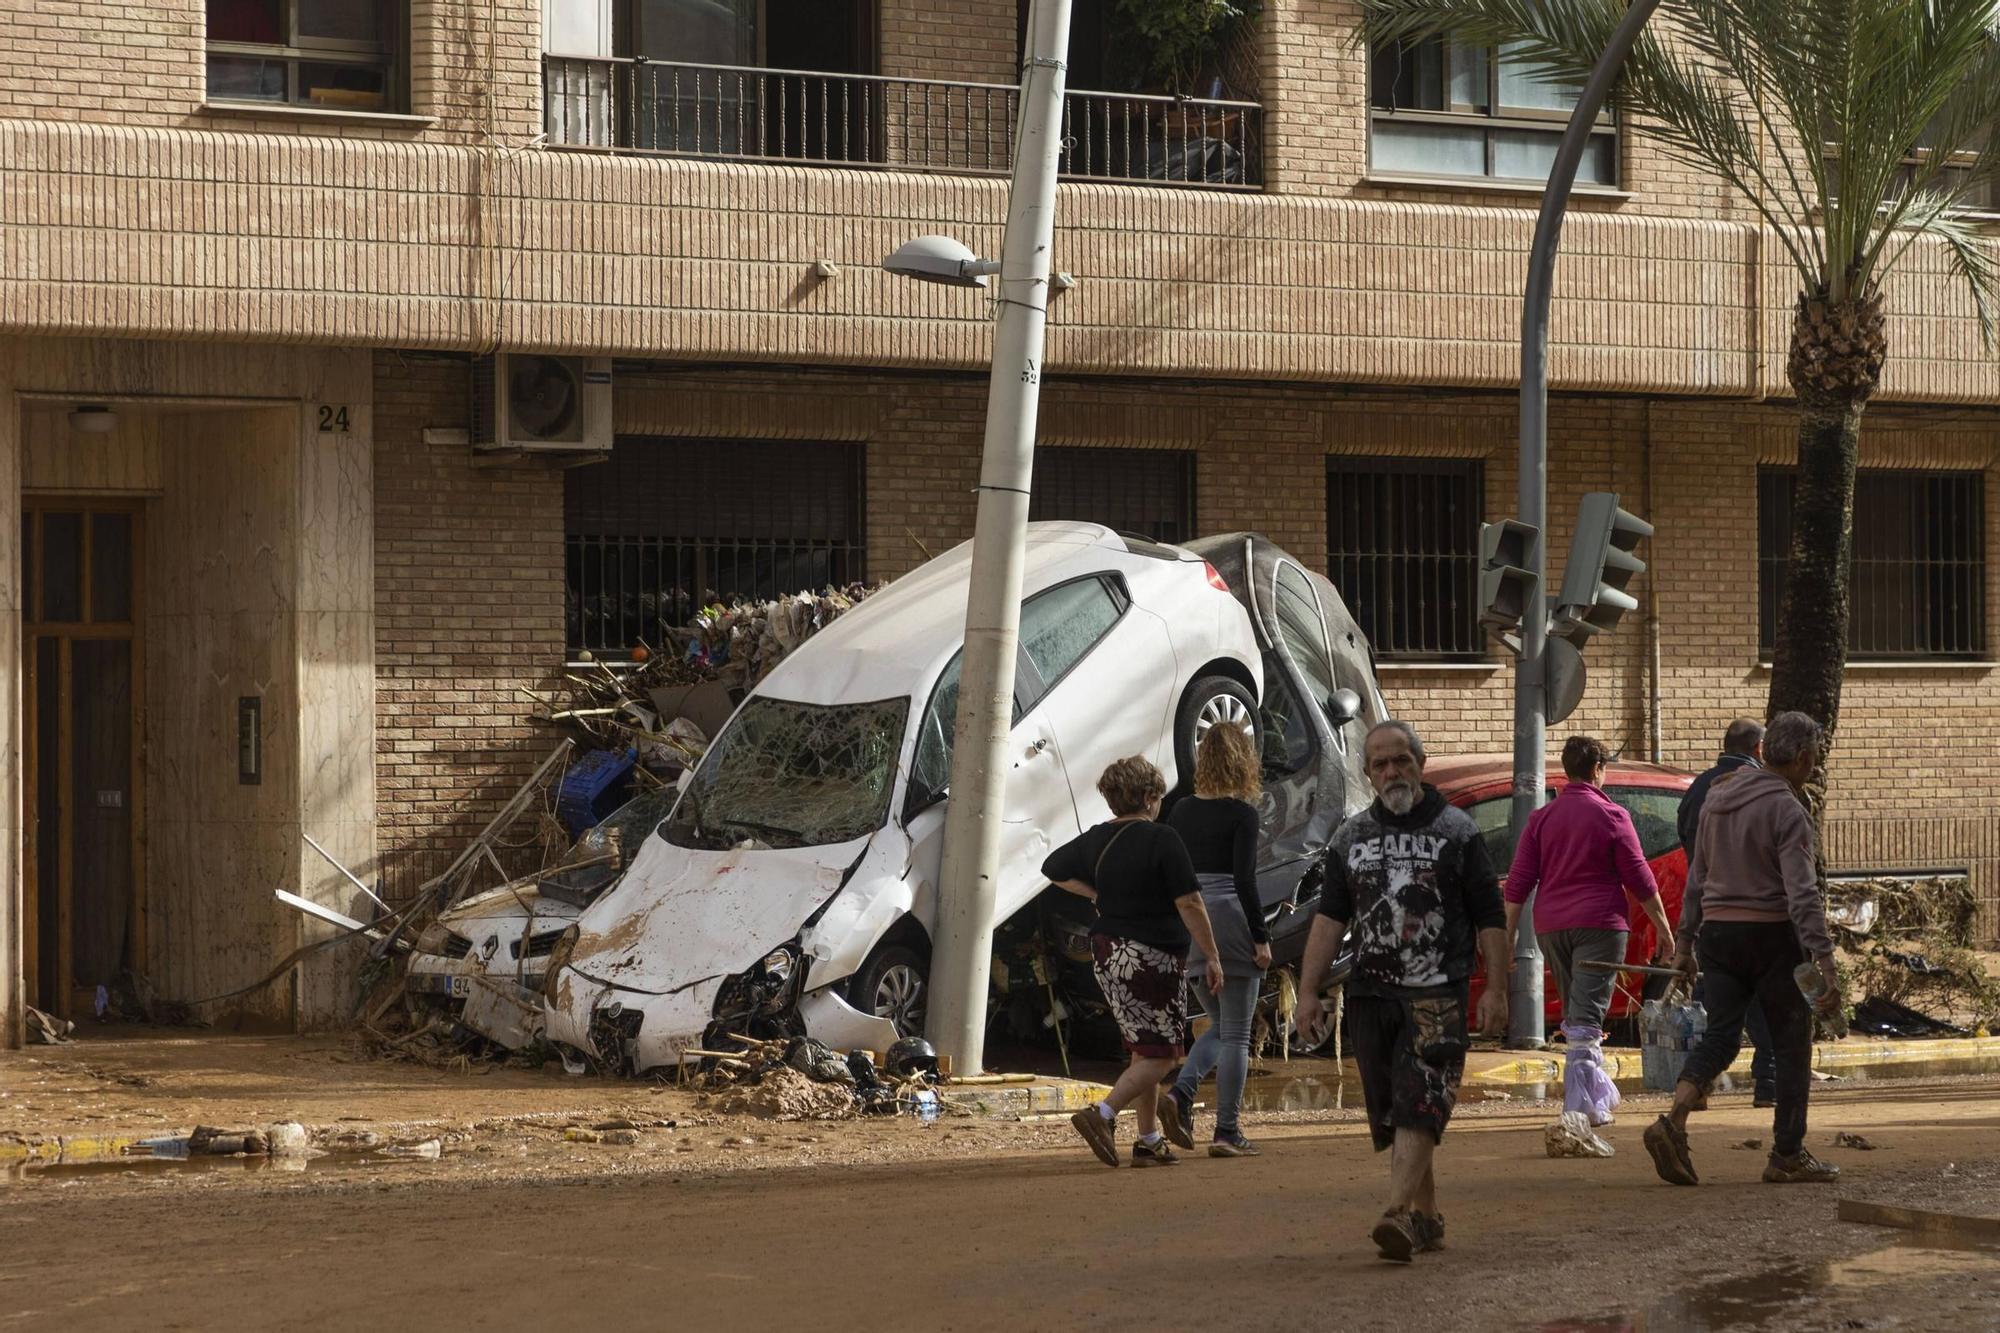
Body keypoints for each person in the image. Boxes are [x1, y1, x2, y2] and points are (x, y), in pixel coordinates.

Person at [1295, 721, 1508, 1262]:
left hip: (1437, 993)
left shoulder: (1458, 831)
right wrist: (1308, 991)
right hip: (1371, 996)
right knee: (1404, 1111)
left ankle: (1395, 1213)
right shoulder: (1351, 837)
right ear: (1367, 774)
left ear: (1420, 763)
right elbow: (1330, 917)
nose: (1392, 772)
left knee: (1420, 1103)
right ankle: (1428, 1218)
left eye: (1401, 761)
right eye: (1380, 764)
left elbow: (1490, 916)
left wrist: (1497, 990)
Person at [1644, 710, 1843, 1188]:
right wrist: (1824, 958)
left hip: (1718, 934)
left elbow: (1697, 879)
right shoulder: (1787, 809)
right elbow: (1801, 893)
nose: (1812, 766)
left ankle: (1674, 1119)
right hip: (1772, 937)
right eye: (1812, 758)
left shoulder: (1717, 800)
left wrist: (1686, 943)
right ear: (1799, 758)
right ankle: (1787, 1155)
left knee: (1722, 1036)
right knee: (1791, 1044)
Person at [1046, 755, 1225, 1168]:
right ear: (1149, 797)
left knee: (1144, 1049)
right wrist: (1212, 955)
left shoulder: (1096, 838)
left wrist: (1096, 894)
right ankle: (1102, 1114)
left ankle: (1148, 1139)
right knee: (1165, 1054)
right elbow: (1190, 902)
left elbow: (1052, 867)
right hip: (1152, 955)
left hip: (1109, 951)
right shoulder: (1163, 839)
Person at [1504, 735, 1674, 1126]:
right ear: (1598, 769)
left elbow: (1519, 882)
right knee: (1587, 1016)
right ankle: (1580, 1106)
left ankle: (1594, 1097)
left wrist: (1508, 936)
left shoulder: (1541, 818)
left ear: (1567, 769)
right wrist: (1664, 929)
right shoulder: (1612, 816)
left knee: (1577, 1010)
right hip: (1600, 925)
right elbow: (1640, 878)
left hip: (1550, 927)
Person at [1164, 722, 1271, 1157]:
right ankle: (1226, 1130)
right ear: (1243, 760)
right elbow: (1244, 879)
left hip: (1191, 918)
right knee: (1239, 1034)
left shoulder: (1181, 811)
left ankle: (1179, 1095)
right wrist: (1260, 937)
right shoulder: (1243, 814)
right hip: (1230, 917)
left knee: (1222, 1027)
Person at [1681, 718, 1776, 1107]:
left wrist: (1686, 935)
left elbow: (1693, 864)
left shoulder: (1697, 789)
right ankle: (1769, 1084)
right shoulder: (1766, 791)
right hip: (1757, 916)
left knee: (1711, 1006)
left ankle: (1694, 1083)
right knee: (1765, 1002)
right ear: (1758, 749)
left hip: (1710, 915)